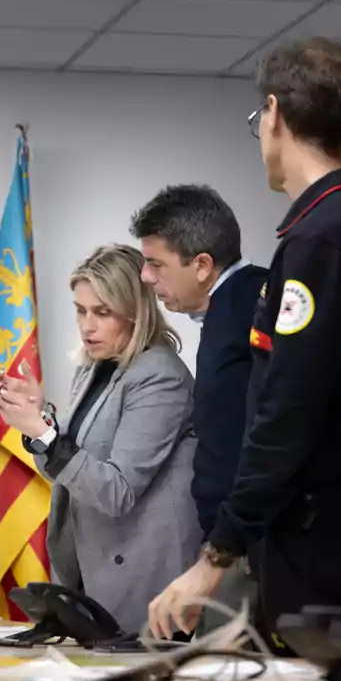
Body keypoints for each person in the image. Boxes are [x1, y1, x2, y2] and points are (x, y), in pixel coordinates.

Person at [148, 37, 341, 644]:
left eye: (258, 120)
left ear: (274, 115)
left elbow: (285, 412)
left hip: (320, 531)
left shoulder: (321, 240)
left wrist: (215, 555)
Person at [0, 244, 201, 634]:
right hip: (91, 565)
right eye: (81, 310)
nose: (87, 326)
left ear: (136, 311)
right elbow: (68, 472)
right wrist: (42, 417)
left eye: (102, 312)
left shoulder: (159, 375)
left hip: (142, 577)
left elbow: (116, 492)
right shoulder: (95, 366)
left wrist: (44, 432)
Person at [133, 184, 268, 633]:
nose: (146, 278)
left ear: (203, 265)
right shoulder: (235, 307)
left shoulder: (242, 320)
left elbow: (251, 446)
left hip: (249, 549)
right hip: (236, 545)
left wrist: (221, 549)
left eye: (156, 264)